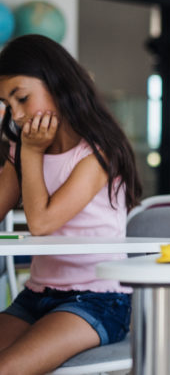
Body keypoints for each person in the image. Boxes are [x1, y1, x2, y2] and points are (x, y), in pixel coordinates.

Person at [0, 34, 142, 373]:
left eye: (22, 98)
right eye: (7, 104)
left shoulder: (97, 152)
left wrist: (31, 153)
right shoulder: (19, 149)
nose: (16, 115)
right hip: (36, 294)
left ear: (57, 84)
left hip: (98, 299)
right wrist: (21, 153)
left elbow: (42, 223)